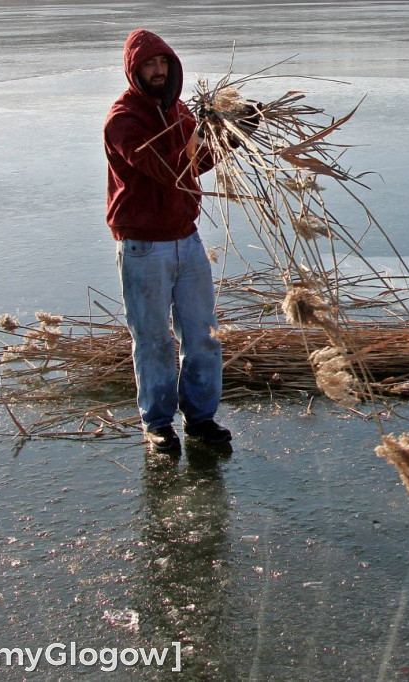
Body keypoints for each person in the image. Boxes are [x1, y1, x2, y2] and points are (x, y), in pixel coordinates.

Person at [104, 29, 230, 452]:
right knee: (155, 340)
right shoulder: (123, 121)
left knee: (203, 336)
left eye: (163, 64)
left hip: (187, 239)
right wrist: (202, 139)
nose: (158, 71)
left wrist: (230, 132)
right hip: (143, 246)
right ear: (134, 70)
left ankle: (200, 419)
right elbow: (167, 168)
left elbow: (199, 163)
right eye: (149, 65)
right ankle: (157, 424)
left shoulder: (178, 111)